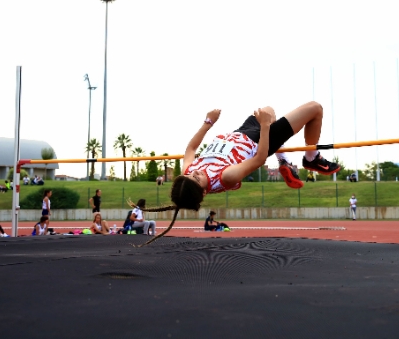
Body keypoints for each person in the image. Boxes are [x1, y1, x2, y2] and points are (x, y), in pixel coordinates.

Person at [139, 102, 340, 246]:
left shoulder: (189, 173)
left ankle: (283, 159)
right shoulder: (225, 177)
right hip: (257, 139)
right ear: (204, 192)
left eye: (191, 175)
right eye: (197, 178)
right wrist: (265, 127)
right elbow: (259, 159)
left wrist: (208, 122)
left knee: (268, 109)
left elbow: (191, 149)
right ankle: (311, 158)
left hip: (241, 131)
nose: (196, 172)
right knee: (315, 109)